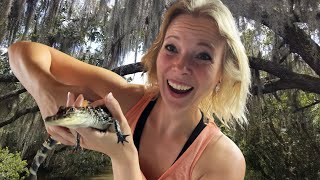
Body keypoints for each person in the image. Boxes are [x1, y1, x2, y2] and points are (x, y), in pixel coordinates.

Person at [8, 0, 251, 179]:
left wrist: (123, 157)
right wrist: (46, 89)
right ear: (158, 54)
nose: (181, 66)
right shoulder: (127, 99)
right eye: (172, 48)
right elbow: (21, 51)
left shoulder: (223, 160)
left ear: (222, 74)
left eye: (203, 55)